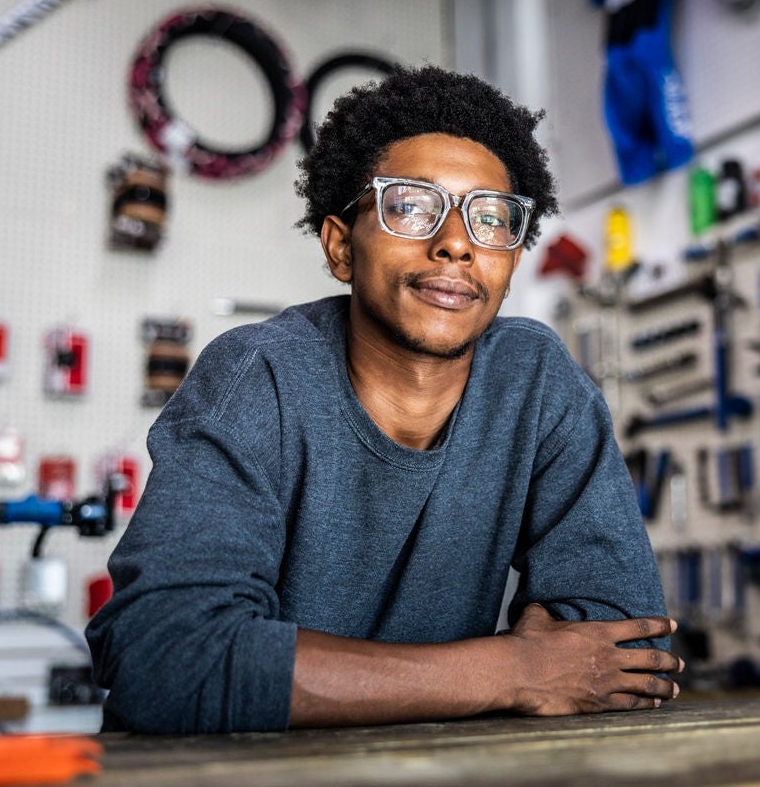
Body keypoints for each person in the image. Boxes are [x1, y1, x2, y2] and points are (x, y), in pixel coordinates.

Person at [85, 64, 682, 734]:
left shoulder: (538, 385)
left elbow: (625, 657)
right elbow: (165, 658)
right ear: (341, 248)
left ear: (512, 261)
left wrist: (535, 670)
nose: (456, 242)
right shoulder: (258, 377)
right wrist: (511, 671)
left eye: (491, 218)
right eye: (412, 206)